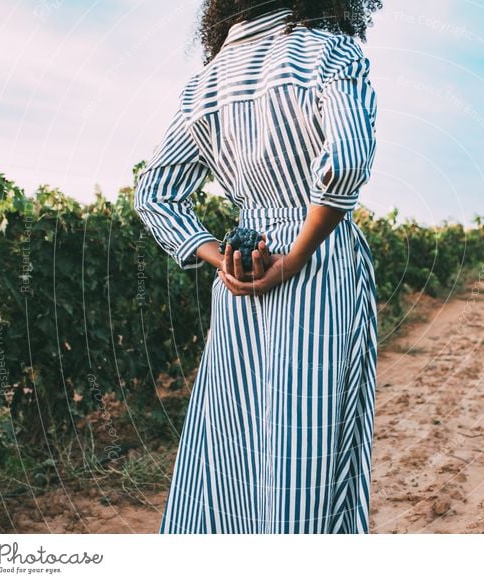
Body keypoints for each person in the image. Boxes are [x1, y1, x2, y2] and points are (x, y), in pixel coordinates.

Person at [134, 1, 381, 533]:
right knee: (309, 434)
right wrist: (295, 255)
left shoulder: (205, 83)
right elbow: (344, 164)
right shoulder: (329, 52)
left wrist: (221, 255)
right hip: (318, 262)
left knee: (237, 431)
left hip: (241, 269)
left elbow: (154, 193)